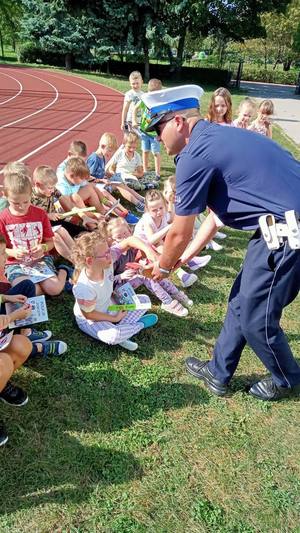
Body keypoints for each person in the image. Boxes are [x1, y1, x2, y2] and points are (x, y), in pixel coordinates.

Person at [142, 84, 300, 401]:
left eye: (159, 128)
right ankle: (218, 372)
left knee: (258, 317)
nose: (157, 139)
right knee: (241, 301)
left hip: (289, 232)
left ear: (178, 122)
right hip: (275, 227)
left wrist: (162, 267)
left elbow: (179, 231)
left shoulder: (194, 154)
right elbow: (214, 219)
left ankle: (287, 378)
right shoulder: (216, 138)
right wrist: (183, 259)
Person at [71, 225, 158, 352]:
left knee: (144, 301)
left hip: (109, 306)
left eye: (108, 251)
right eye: (105, 254)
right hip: (92, 320)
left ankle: (123, 330)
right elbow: (89, 314)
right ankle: (138, 326)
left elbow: (129, 241)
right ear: (90, 261)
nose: (110, 255)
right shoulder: (84, 288)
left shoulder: (107, 260)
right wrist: (114, 318)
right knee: (113, 336)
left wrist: (149, 252)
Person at [0, 173, 71, 295]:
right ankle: (39, 286)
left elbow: (50, 242)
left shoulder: (40, 214)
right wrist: (13, 252)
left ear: (30, 195)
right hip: (15, 263)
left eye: (26, 202)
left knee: (54, 289)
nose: (21, 207)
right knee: (30, 290)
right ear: (5, 196)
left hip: (40, 259)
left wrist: (43, 247)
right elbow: (2, 249)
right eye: (16, 203)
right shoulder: (3, 218)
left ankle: (64, 270)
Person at [107, 217, 192, 317]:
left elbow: (140, 259)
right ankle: (167, 302)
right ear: (113, 240)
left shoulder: (133, 248)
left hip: (130, 279)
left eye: (125, 234)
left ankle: (175, 292)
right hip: (116, 288)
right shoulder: (114, 256)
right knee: (145, 276)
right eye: (119, 237)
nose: (124, 238)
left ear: (130, 231)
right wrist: (121, 276)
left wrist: (143, 263)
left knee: (152, 271)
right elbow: (107, 280)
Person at [134, 190, 211, 288]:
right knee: (161, 246)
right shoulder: (147, 220)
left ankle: (188, 264)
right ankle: (184, 271)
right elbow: (151, 240)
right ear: (147, 210)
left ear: (164, 205)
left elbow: (173, 222)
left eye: (161, 208)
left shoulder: (165, 214)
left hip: (157, 244)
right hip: (141, 250)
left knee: (172, 241)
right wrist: (169, 227)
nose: (158, 212)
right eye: (154, 210)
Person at [86, 132, 142, 221]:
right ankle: (123, 213)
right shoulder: (94, 158)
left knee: (119, 183)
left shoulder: (102, 157)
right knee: (105, 194)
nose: (111, 154)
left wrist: (109, 175)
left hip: (100, 184)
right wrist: (102, 180)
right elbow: (87, 177)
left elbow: (101, 172)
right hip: (94, 188)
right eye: (110, 151)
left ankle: (140, 201)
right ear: (103, 146)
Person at [132, 78, 162, 180]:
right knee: (145, 151)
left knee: (156, 153)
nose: (152, 96)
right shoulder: (144, 100)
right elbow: (135, 109)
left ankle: (157, 173)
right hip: (144, 131)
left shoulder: (160, 103)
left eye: (154, 95)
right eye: (150, 94)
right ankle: (145, 170)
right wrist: (134, 121)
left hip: (154, 134)